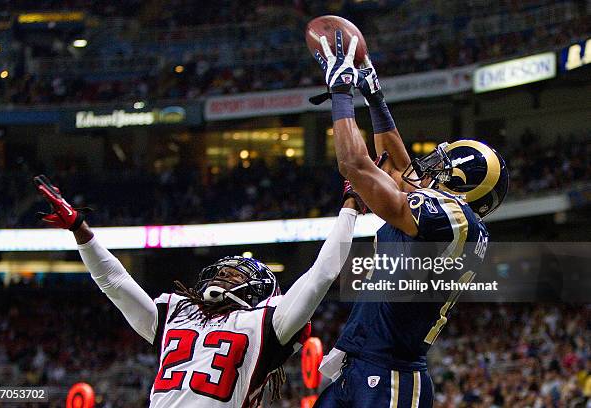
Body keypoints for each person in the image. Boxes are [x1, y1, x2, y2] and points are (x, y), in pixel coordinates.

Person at [32, 174, 359, 408]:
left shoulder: (268, 322)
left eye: (232, 275)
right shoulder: (177, 310)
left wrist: (349, 208)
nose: (221, 277)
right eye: (221, 271)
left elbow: (322, 273)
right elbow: (114, 284)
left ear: (256, 292)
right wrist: (80, 229)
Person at [310, 31, 509, 407]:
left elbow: (355, 164)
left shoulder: (453, 218)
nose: (429, 166)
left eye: (444, 165)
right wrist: (374, 97)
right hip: (365, 365)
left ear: (465, 184)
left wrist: (341, 92)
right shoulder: (451, 220)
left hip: (391, 377)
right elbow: (402, 168)